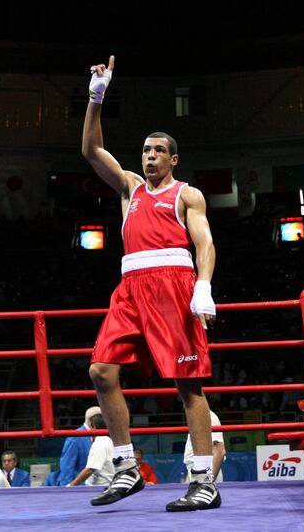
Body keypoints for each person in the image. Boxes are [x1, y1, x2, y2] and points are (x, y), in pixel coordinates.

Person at [83, 56, 220, 512]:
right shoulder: (130, 189)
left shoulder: (187, 195)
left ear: (173, 158)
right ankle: (125, 467)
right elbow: (90, 151)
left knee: (187, 384)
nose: (150, 156)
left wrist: (204, 286)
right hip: (130, 289)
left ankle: (203, 478)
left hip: (174, 288)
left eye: (158, 150)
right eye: (145, 150)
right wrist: (96, 98)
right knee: (101, 371)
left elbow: (205, 243)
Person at [44, 406, 101, 486]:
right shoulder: (75, 437)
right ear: (92, 420)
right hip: (79, 487)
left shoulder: (101, 435)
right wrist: (66, 489)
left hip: (95, 484)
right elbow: (67, 466)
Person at [67, 414, 115, 487]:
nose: (88, 430)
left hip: (98, 488)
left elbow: (90, 470)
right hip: (105, 486)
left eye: (90, 427)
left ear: (94, 428)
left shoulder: (100, 442)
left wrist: (71, 486)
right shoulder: (108, 440)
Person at [183, 410, 226, 482]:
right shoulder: (196, 417)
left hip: (205, 474)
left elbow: (219, 451)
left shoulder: (206, 416)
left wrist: (208, 482)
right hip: (197, 473)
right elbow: (191, 460)